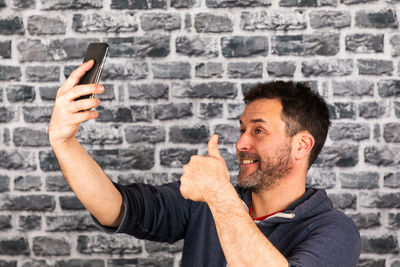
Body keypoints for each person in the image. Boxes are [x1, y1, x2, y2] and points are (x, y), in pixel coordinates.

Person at [49, 60, 361, 267]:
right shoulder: (204, 203)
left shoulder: (334, 230)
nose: (241, 143)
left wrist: (219, 194)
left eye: (259, 130)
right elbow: (114, 207)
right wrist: (64, 143)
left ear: (301, 145)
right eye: (242, 129)